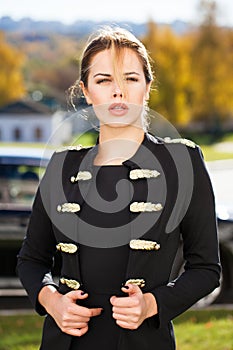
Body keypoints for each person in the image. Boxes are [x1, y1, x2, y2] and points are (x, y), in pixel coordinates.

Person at [17, 26, 221, 350]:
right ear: (86, 91)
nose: (118, 92)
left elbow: (207, 269)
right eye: (103, 80)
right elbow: (31, 260)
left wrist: (152, 305)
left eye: (130, 78)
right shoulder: (60, 166)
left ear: (148, 87)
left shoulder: (183, 163)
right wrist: (52, 301)